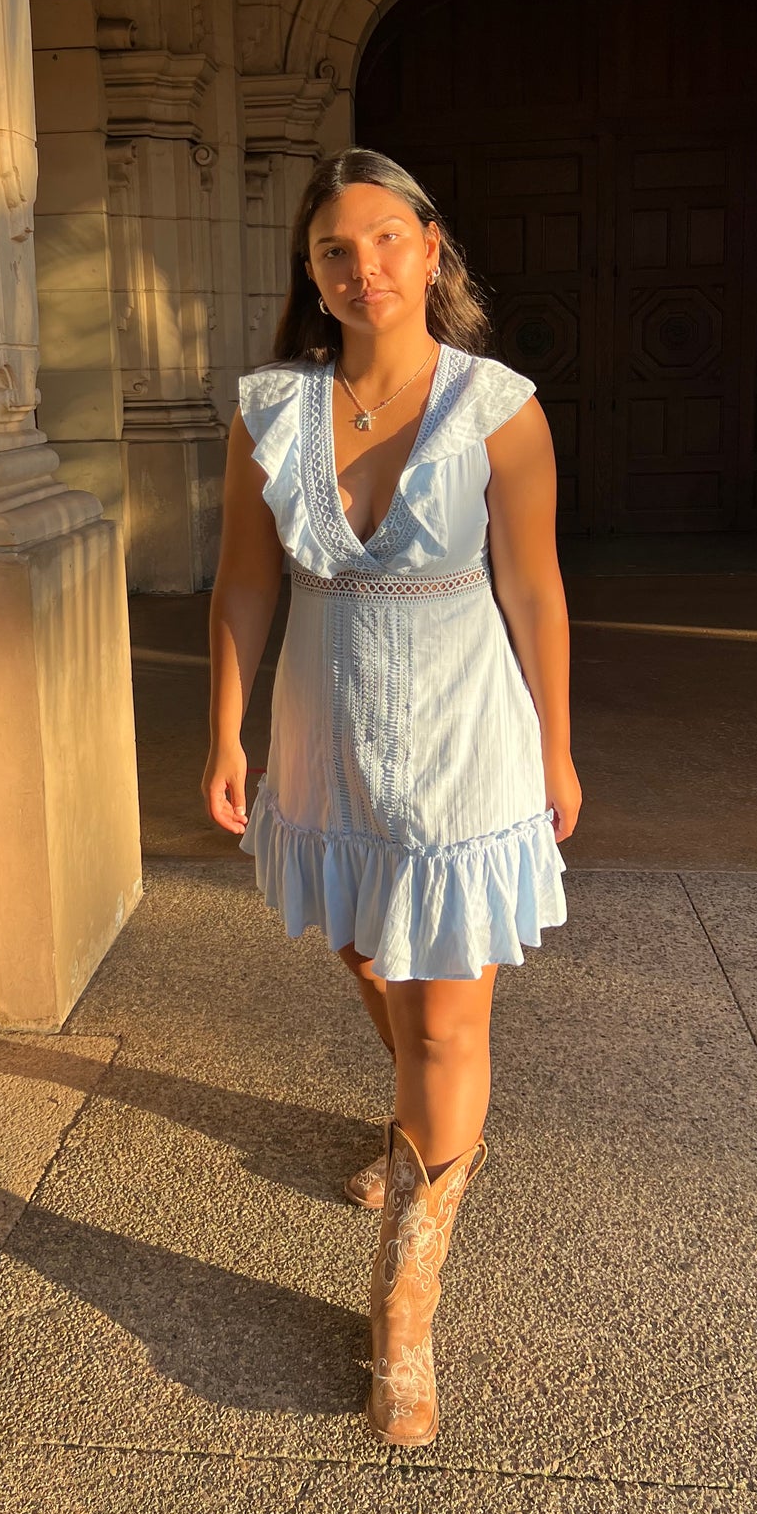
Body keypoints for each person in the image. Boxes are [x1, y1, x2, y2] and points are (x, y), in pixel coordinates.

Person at [202, 146, 580, 1447]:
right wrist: (224, 728)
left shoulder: (499, 409)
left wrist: (559, 749)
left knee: (447, 1020)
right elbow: (245, 583)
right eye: (331, 251)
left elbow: (532, 588)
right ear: (309, 276)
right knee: (369, 953)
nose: (360, 268)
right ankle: (423, 1118)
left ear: (431, 251)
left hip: (465, 728)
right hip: (324, 730)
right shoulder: (269, 412)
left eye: (382, 241)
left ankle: (402, 1317)